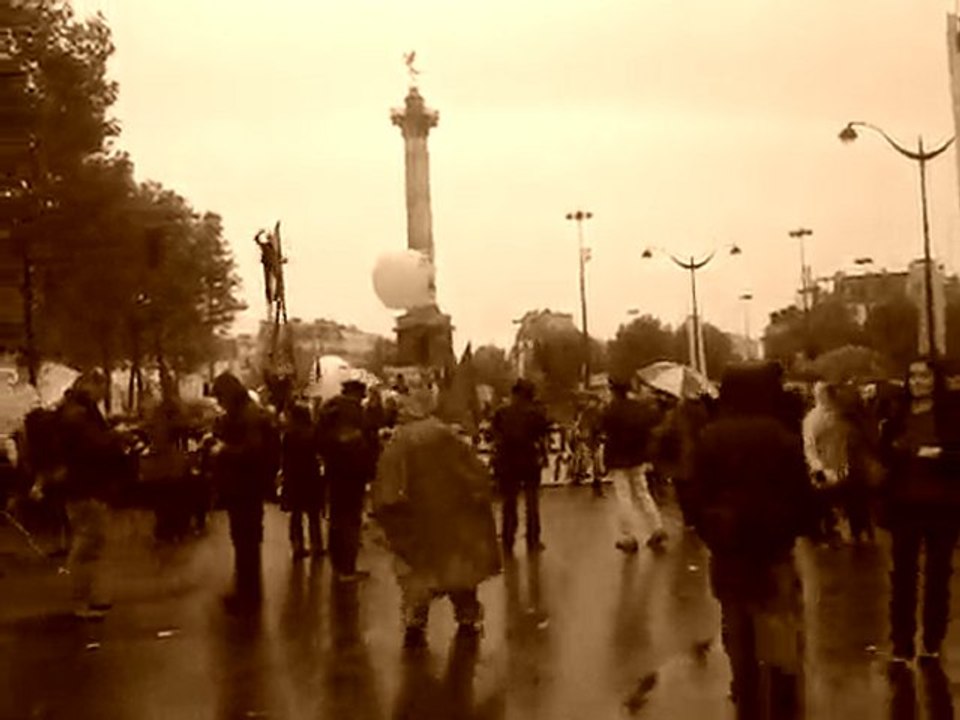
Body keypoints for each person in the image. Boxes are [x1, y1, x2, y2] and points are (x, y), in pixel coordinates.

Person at [690, 362, 814, 719]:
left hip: (729, 551)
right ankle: (783, 699)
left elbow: (697, 498)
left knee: (737, 627)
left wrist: (714, 533)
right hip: (774, 550)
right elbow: (801, 496)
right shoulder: (781, 436)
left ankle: (746, 693)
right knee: (778, 628)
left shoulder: (711, 436)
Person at [372, 386, 501, 649]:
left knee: (417, 574)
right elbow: (473, 473)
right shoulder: (445, 435)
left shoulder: (399, 442)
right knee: (458, 572)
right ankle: (467, 616)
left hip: (417, 519)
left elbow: (388, 487)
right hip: (453, 515)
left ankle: (415, 620)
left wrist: (388, 517)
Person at [881, 358, 960, 664]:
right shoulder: (898, 413)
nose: (917, 382)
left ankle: (932, 639)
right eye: (912, 376)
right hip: (905, 505)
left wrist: (939, 454)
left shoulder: (951, 413)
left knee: (938, 575)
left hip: (942, 505)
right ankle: (902, 642)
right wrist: (894, 450)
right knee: (902, 576)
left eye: (924, 376)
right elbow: (884, 453)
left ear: (935, 379)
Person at [56, 370, 126, 620]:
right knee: (87, 544)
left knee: (92, 543)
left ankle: (89, 596)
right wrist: (115, 435)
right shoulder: (78, 414)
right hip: (85, 487)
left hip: (85, 486)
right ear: (91, 386)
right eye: (102, 388)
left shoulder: (76, 410)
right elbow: (93, 446)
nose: (104, 394)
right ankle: (81, 601)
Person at [211, 372, 280, 608]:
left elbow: (252, 449)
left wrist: (223, 451)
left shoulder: (247, 414)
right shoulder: (250, 411)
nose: (219, 403)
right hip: (247, 486)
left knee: (245, 541)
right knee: (245, 541)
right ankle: (247, 592)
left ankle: (248, 596)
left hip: (245, 486)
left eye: (220, 397)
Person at [317, 378, 376, 582]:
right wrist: (370, 470)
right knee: (351, 519)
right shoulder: (356, 413)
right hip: (353, 473)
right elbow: (368, 441)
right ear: (358, 394)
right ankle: (348, 569)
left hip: (334, 470)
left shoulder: (329, 409)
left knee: (336, 517)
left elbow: (319, 439)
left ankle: (337, 565)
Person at [601, 377, 666, 553]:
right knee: (643, 493)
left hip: (618, 458)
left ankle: (628, 536)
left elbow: (603, 428)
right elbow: (649, 424)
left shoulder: (611, 410)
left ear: (614, 391)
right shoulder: (638, 408)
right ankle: (657, 526)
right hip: (637, 456)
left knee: (624, 497)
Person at [491, 379, 550, 554]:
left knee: (509, 502)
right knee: (532, 502)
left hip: (507, 461)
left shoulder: (501, 412)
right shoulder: (536, 413)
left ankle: (508, 539)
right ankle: (533, 539)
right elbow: (542, 433)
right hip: (529, 460)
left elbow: (494, 433)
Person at [802, 381, 851, 544]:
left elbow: (844, 441)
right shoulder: (813, 418)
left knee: (835, 500)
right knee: (825, 500)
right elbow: (809, 444)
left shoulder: (838, 415)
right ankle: (823, 532)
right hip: (824, 466)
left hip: (838, 464)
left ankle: (832, 529)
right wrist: (817, 466)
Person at [280, 404, 324, 560]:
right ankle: (316, 545)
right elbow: (320, 452)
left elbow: (284, 457)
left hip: (294, 476)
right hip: (311, 475)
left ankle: (297, 545)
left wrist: (284, 475)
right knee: (313, 514)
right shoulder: (313, 432)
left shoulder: (289, 435)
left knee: (296, 513)